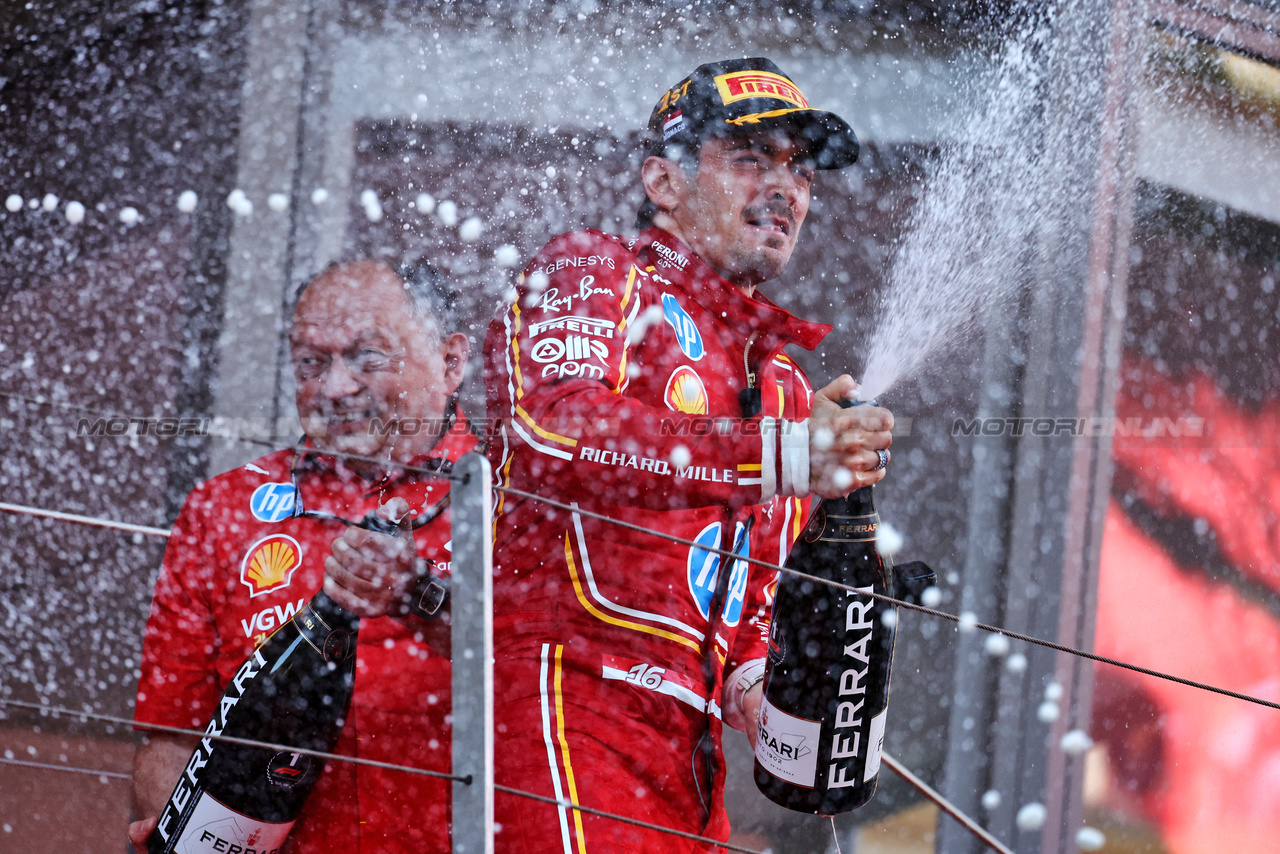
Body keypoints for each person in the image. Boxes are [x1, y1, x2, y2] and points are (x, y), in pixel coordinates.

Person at [483, 57, 894, 852]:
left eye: (801, 172)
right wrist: (782, 456)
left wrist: (790, 686)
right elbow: (554, 430)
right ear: (664, 183)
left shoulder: (783, 387)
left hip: (689, 761)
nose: (786, 188)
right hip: (556, 707)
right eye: (749, 159)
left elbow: (747, 613)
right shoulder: (592, 266)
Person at [129, 258, 476, 853]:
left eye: (368, 356)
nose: (335, 389)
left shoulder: (517, 502)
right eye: (311, 364)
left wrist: (421, 598)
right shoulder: (222, 512)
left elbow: (549, 687)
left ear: (450, 363)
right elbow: (170, 740)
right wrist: (183, 835)